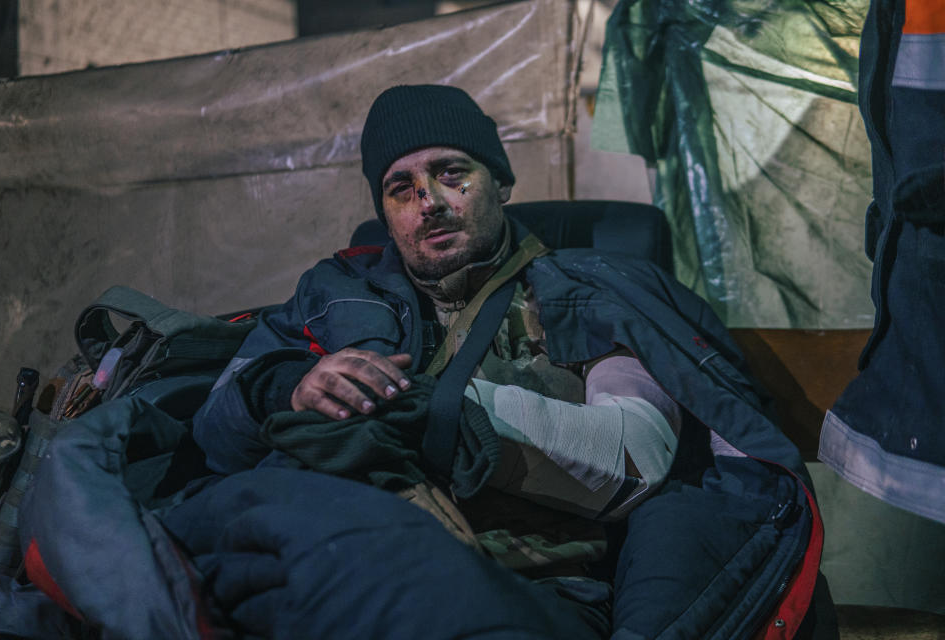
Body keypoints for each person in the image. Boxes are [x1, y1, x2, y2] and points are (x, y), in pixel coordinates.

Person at [183, 85, 830, 639]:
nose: (428, 201)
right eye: (401, 189)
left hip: (515, 585)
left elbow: (632, 458)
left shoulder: (594, 295)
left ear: (503, 180)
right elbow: (215, 429)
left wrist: (430, 412)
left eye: (451, 173)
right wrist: (288, 385)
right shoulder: (336, 291)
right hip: (311, 555)